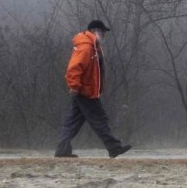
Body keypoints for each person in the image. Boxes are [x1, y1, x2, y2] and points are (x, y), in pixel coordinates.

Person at [55, 20, 131, 158]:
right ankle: (114, 148)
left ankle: (62, 150)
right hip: (85, 92)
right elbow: (74, 68)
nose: (104, 35)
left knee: (72, 123)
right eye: (103, 32)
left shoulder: (93, 46)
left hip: (85, 91)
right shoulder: (86, 47)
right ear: (95, 31)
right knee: (100, 120)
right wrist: (74, 86)